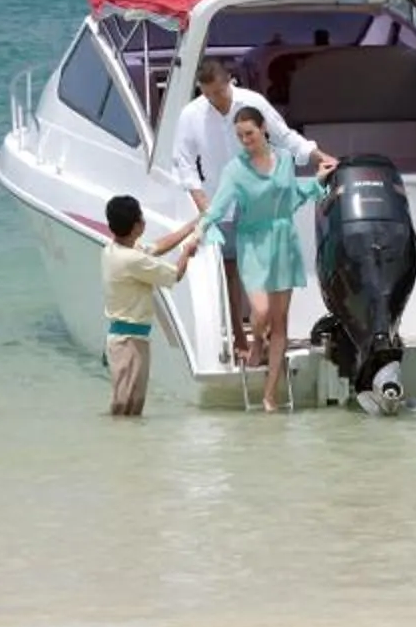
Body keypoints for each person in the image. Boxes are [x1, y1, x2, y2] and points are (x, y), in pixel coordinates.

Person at [170, 58, 319, 367]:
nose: (214, 100)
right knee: (229, 273)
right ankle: (240, 336)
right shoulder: (191, 115)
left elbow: (284, 137)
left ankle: (264, 335)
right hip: (218, 202)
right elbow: (184, 163)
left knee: (261, 268)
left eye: (219, 93)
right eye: (208, 94)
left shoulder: (253, 103)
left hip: (258, 203)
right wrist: (204, 206)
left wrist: (316, 156)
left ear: (230, 82)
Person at [202, 107, 335, 412]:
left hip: (283, 241)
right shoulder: (235, 170)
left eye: (249, 133)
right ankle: (256, 341)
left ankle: (270, 395)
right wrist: (205, 230)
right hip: (252, 242)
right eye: (240, 136)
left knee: (280, 323)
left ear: (264, 129)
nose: (245, 140)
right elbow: (218, 206)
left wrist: (317, 181)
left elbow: (289, 196)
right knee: (259, 312)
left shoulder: (285, 160)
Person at [98, 194, 201, 417]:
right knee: (127, 408)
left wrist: (191, 226)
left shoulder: (113, 251)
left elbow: (157, 247)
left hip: (126, 339)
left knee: (127, 408)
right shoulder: (132, 260)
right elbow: (175, 275)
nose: (144, 221)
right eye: (141, 218)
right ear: (136, 226)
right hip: (129, 343)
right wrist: (187, 252)